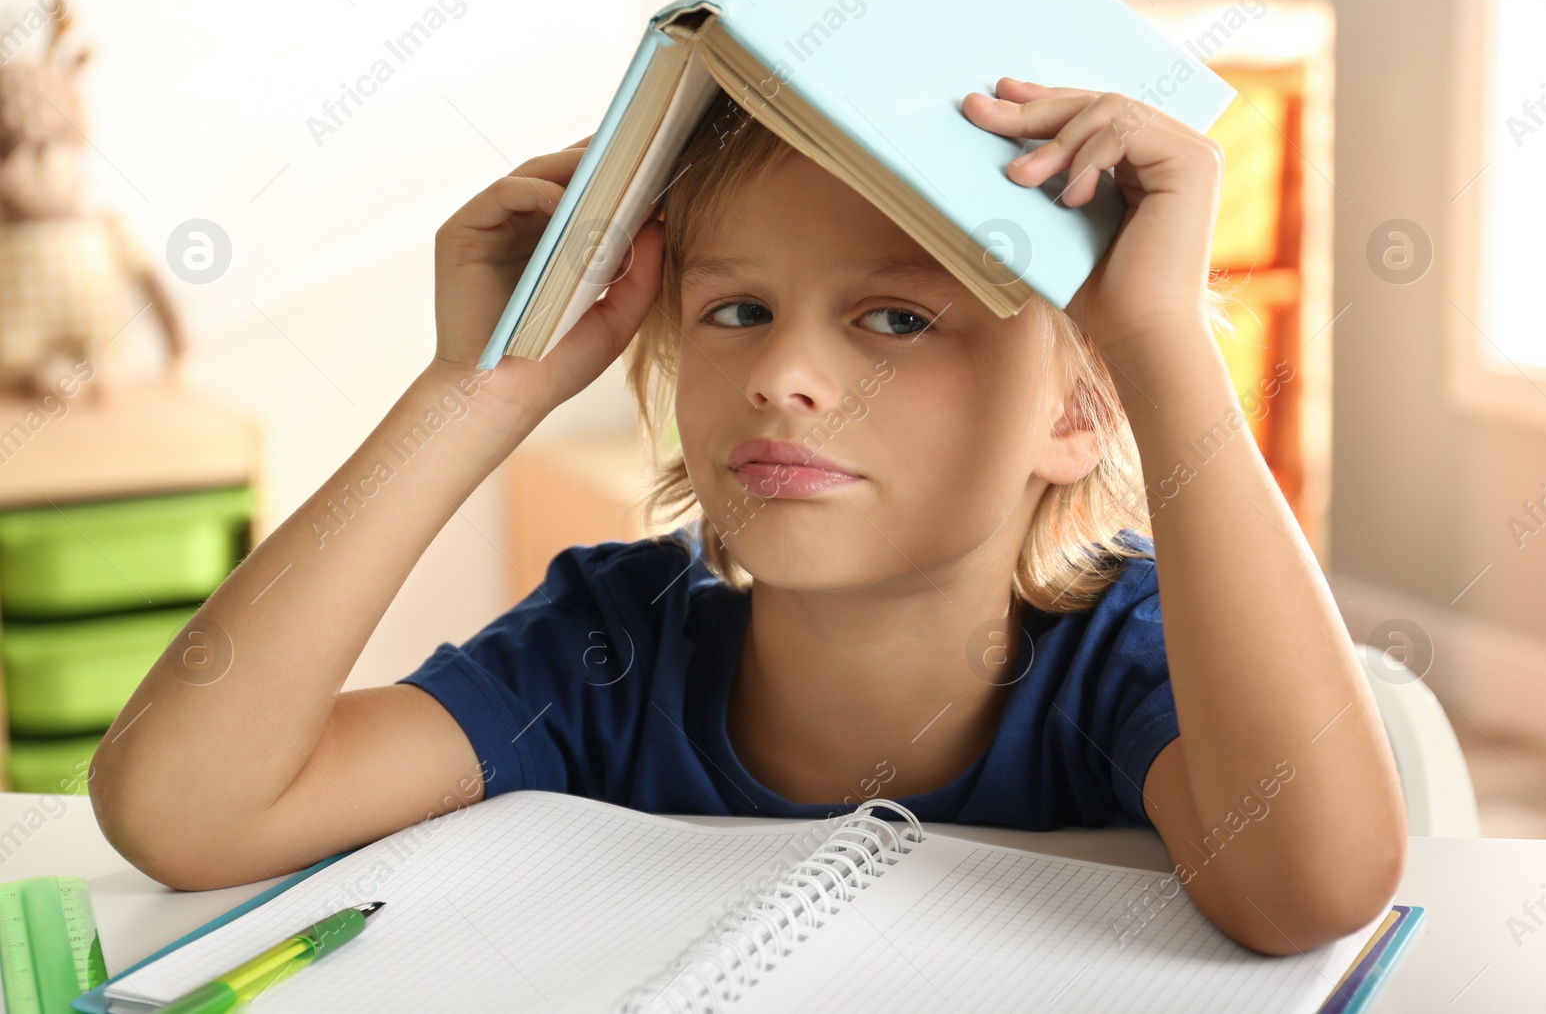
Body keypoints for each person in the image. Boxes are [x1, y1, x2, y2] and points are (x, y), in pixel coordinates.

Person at [89, 77, 1405, 955]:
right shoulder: (602, 651)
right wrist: (472, 393)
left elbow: (1314, 889)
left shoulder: (1132, 659)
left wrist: (1159, 342)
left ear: (1079, 414)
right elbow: (185, 812)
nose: (782, 374)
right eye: (736, 311)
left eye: (895, 318)